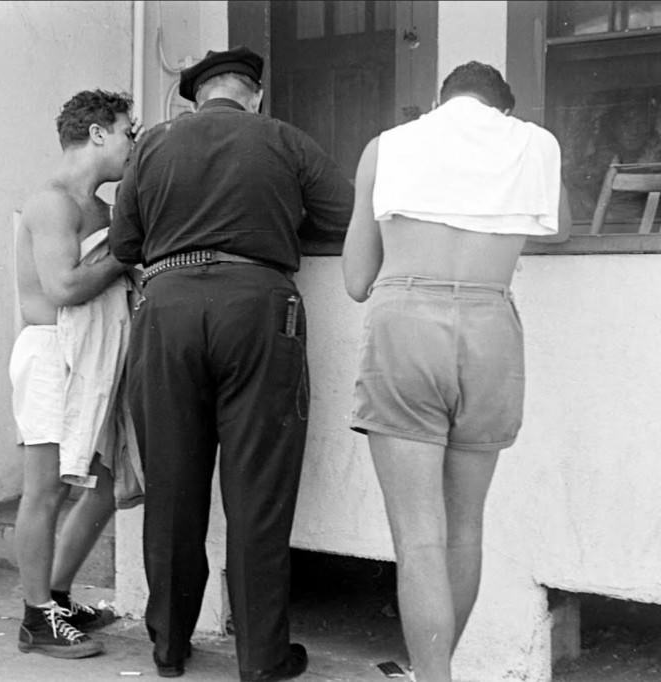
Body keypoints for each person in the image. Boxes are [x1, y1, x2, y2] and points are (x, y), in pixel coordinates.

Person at [110, 46, 353, 680]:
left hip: (167, 312)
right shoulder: (282, 139)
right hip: (258, 309)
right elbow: (345, 214)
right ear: (255, 96)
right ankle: (263, 660)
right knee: (258, 493)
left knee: (171, 487)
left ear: (195, 100)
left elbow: (123, 244)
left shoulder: (154, 146)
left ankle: (168, 647)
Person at [341, 62, 571, 682]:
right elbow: (560, 226)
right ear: (505, 107)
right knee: (464, 529)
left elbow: (357, 280)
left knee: (419, 538)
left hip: (407, 320)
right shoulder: (536, 144)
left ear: (440, 101)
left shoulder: (388, 147)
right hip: (492, 324)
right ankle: (430, 674)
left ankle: (432, 678)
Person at [10, 89, 138, 659]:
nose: (132, 143)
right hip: (50, 355)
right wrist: (125, 252)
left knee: (107, 483)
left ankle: (56, 594)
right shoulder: (53, 203)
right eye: (127, 131)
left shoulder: (107, 212)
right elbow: (63, 287)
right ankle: (36, 618)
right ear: (98, 134)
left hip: (96, 357)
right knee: (45, 488)